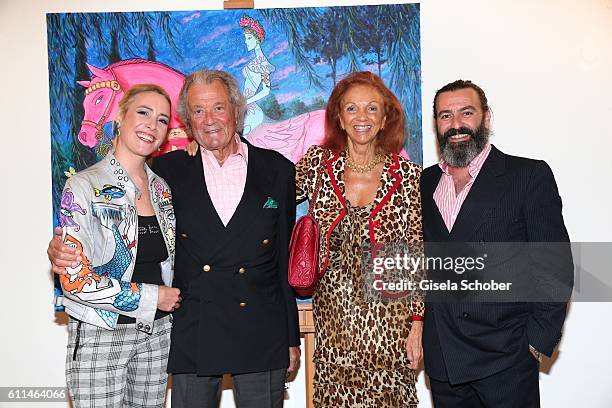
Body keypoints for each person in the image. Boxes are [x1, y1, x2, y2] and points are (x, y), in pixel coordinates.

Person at [421, 79, 574, 407]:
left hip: (506, 358)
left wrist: (537, 340)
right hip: (444, 360)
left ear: (486, 117)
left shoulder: (527, 176)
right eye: (445, 116)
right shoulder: (423, 182)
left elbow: (555, 266)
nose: (456, 124)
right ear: (436, 124)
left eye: (466, 112)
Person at [295, 71, 424, 407]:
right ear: (339, 117)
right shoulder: (318, 165)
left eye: (371, 109)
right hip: (334, 326)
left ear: (385, 119)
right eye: (351, 109)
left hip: (390, 330)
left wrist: (417, 324)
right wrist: (214, 149)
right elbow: (266, 186)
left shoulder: (409, 176)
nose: (361, 118)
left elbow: (417, 253)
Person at [52, 84, 181, 407]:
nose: (152, 125)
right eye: (143, 112)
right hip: (100, 331)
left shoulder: (163, 189)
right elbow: (75, 281)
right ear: (120, 117)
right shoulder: (83, 185)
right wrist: (153, 297)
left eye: (162, 120)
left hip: (157, 333)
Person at [239, 15, 275, 136]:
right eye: (245, 38)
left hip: (250, 108)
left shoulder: (263, 63)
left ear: (257, 39)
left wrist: (246, 101)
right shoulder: (256, 61)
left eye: (249, 38)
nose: (246, 41)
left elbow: (266, 90)